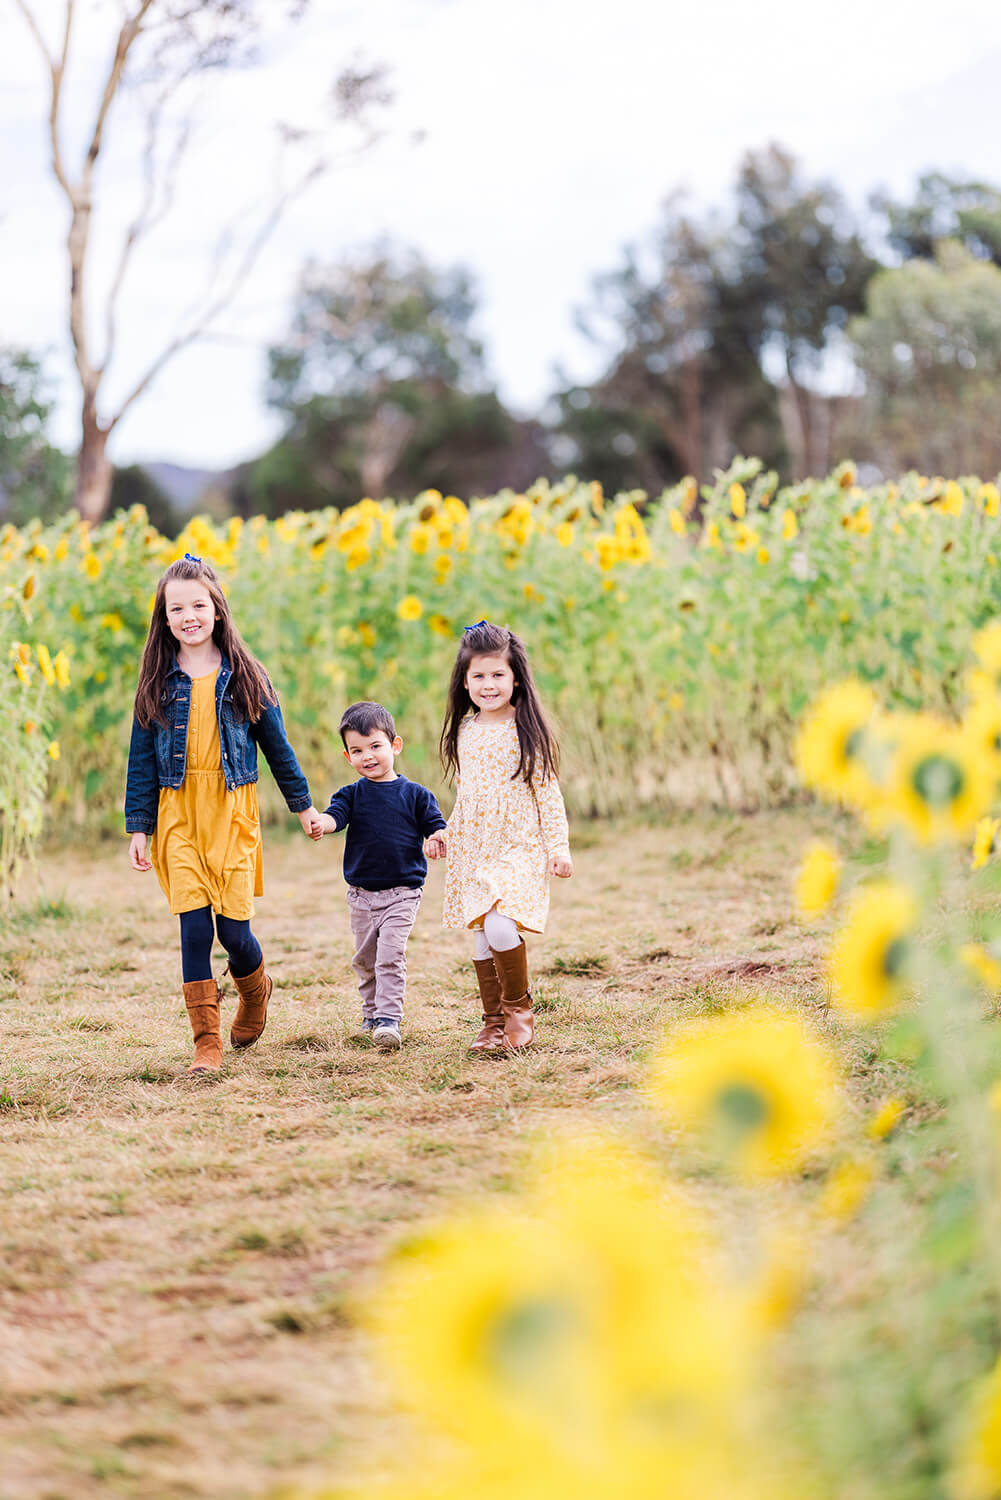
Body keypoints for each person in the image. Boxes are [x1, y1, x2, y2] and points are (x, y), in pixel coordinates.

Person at [125, 553, 322, 1075]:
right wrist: (139, 826)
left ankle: (255, 992)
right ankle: (205, 1044)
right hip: (178, 815)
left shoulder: (246, 677)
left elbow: (278, 750)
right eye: (176, 608)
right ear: (164, 619)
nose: (188, 616)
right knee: (193, 928)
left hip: (232, 812)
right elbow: (140, 760)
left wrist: (303, 807)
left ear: (217, 609)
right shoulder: (155, 683)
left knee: (233, 934)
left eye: (198, 604)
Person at [426, 620, 572, 1053]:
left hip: (519, 845)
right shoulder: (467, 731)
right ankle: (492, 1024)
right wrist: (445, 834)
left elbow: (548, 794)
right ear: (465, 681)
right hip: (475, 846)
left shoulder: (527, 730)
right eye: (479, 676)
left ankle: (519, 1011)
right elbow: (469, 796)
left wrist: (559, 847)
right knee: (480, 935)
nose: (488, 684)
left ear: (514, 678)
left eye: (497, 675)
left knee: (500, 924)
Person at [309, 701, 446, 1051]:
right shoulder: (351, 795)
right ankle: (370, 1014)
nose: (368, 756)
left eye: (375, 746)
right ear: (347, 756)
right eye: (357, 750)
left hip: (403, 892)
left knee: (390, 954)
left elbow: (436, 826)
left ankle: (389, 1019)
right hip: (362, 896)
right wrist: (321, 824)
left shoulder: (416, 795)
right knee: (365, 960)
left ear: (394, 745)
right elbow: (334, 816)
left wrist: (437, 838)